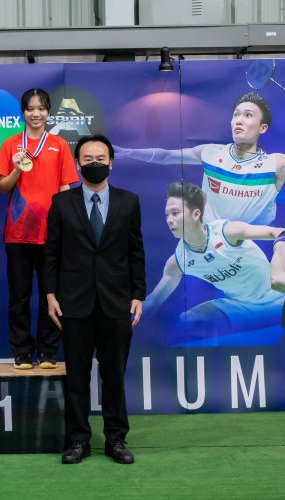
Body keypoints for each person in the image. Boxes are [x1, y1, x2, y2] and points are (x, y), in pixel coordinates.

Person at [45, 134, 145, 465]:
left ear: (111, 162)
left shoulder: (129, 202)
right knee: (77, 376)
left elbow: (135, 252)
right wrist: (50, 294)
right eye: (87, 159)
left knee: (114, 376)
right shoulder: (62, 203)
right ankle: (78, 440)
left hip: (116, 303)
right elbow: (51, 253)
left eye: (101, 158)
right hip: (73, 303)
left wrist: (138, 295)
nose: (94, 164)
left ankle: (116, 439)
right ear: (77, 164)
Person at [0, 88, 78, 370]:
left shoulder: (59, 145)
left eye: (41, 108)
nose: (35, 114)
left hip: (51, 232)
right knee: (18, 296)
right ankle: (21, 351)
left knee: (50, 294)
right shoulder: (10, 145)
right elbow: (3, 188)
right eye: (30, 109)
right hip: (18, 231)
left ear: (48, 112)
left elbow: (65, 188)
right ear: (23, 113)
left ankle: (47, 351)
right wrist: (17, 169)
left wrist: (67, 225)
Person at [144, 181, 284, 344]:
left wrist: (279, 269)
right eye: (167, 215)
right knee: (189, 320)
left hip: (280, 297)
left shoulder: (227, 232)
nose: (169, 220)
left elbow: (279, 233)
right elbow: (153, 300)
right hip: (240, 306)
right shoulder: (179, 261)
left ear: (196, 214)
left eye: (175, 213)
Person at [115, 92, 284, 225]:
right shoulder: (212, 153)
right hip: (211, 247)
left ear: (263, 128)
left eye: (248, 115)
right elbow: (167, 156)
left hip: (256, 247)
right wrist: (129, 152)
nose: (239, 120)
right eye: (236, 115)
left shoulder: (275, 164)